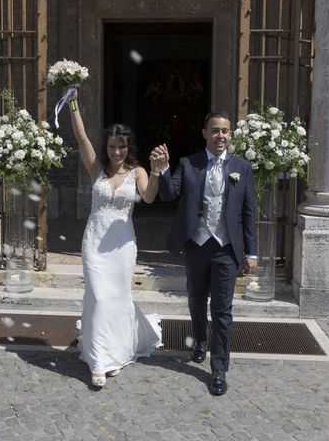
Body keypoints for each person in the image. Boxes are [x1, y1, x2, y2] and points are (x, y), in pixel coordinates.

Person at [151, 112, 258, 396]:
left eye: (225, 131)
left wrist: (252, 252)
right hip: (197, 245)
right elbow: (169, 194)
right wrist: (162, 171)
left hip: (226, 248)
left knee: (222, 310)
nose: (220, 136)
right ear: (204, 133)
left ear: (230, 134)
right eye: (214, 131)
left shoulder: (241, 167)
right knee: (197, 300)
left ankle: (219, 368)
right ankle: (199, 340)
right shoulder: (188, 164)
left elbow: (249, 212)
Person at [67, 90, 162, 388]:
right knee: (98, 296)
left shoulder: (137, 171)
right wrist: (72, 102)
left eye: (121, 147)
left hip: (122, 245)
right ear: (106, 146)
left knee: (117, 298)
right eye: (111, 146)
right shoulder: (96, 168)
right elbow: (82, 138)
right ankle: (98, 361)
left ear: (127, 147)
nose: (116, 152)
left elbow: (148, 197)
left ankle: (116, 352)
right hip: (94, 243)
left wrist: (157, 172)